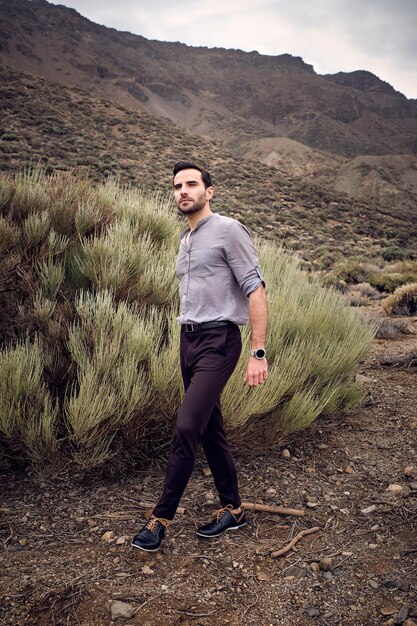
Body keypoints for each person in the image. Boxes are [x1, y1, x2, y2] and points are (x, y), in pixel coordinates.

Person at [131, 161, 268, 552]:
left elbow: (256, 291)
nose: (183, 191)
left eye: (192, 184)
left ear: (209, 191)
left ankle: (160, 520)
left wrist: (257, 351)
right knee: (210, 428)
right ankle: (234, 510)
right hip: (188, 341)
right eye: (177, 186)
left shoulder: (228, 230)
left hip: (220, 341)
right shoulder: (185, 240)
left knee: (187, 426)